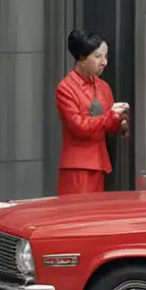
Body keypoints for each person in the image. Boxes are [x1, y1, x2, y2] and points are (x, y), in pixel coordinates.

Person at [56, 28, 129, 195]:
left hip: (101, 162)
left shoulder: (103, 86)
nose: (104, 62)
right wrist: (111, 116)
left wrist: (121, 119)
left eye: (106, 57)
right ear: (82, 58)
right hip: (78, 165)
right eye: (98, 57)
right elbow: (79, 126)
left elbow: (109, 124)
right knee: (78, 215)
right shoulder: (66, 88)